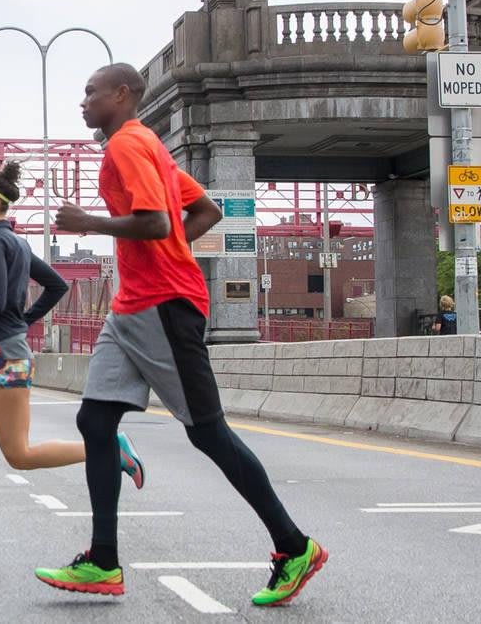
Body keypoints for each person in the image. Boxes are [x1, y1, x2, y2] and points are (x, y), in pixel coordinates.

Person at [34, 63, 326, 606]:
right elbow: (205, 211)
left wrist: (91, 224)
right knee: (95, 419)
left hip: (164, 306)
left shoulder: (127, 146)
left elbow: (156, 222)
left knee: (207, 433)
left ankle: (294, 545)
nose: (82, 102)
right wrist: (163, 251)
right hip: (131, 309)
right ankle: (102, 561)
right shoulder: (152, 148)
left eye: (89, 92)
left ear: (121, 95)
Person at [0, 160, 146, 562]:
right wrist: (22, 320)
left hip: (6, 358)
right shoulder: (18, 243)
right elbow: (57, 284)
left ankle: (111, 449)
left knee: (19, 455)